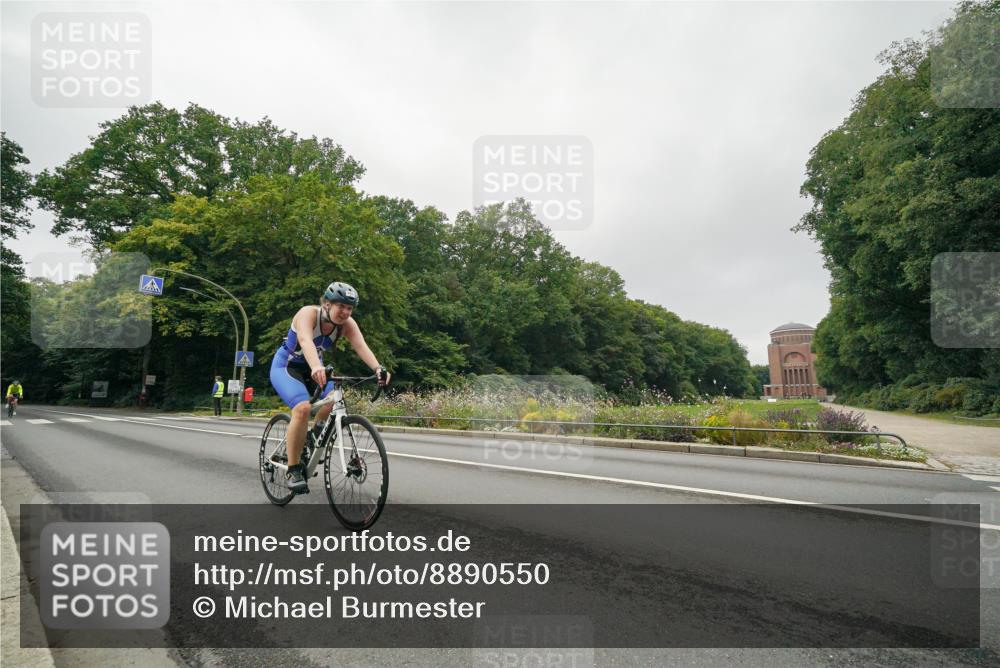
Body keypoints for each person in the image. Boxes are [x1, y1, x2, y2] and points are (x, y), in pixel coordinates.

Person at [269, 282, 390, 494]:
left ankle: (314, 434)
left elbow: (361, 346)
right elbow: (305, 340)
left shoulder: (347, 325)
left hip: (317, 368)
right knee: (303, 409)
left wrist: (378, 368)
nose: (345, 312)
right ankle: (294, 469)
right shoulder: (307, 314)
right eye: (341, 306)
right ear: (326, 304)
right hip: (287, 366)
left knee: (334, 398)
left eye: (350, 308)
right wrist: (316, 365)